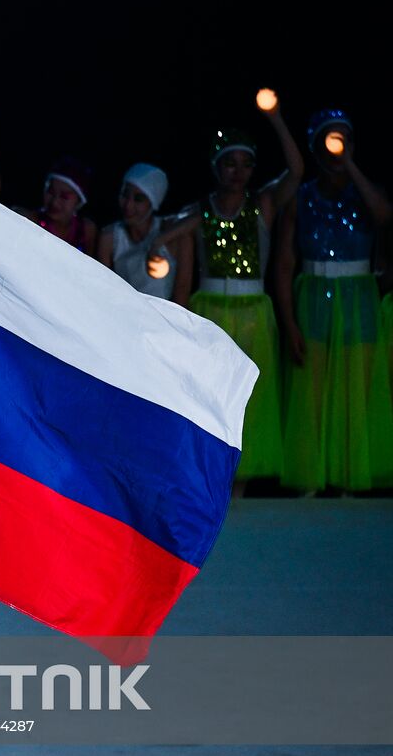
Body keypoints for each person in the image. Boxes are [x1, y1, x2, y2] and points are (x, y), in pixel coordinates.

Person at [160, 104, 303, 491]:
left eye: (245, 164)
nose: (238, 172)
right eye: (230, 164)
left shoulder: (264, 206)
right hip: (211, 309)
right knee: (207, 394)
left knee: (250, 399)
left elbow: (297, 170)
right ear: (216, 167)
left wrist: (276, 118)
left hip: (254, 311)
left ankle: (241, 480)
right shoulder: (200, 210)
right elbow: (166, 239)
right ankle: (209, 477)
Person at [273, 110, 393, 493]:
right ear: (314, 145)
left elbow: (384, 216)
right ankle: (311, 476)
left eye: (344, 139)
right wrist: (289, 321)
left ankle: (349, 475)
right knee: (313, 384)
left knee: (355, 385)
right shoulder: (301, 198)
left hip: (358, 296)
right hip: (314, 294)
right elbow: (285, 261)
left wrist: (350, 166)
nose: (335, 146)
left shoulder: (368, 190)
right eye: (329, 139)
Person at [97, 163, 189, 303]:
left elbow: (181, 292)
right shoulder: (110, 237)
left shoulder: (172, 233)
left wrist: (159, 241)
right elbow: (104, 291)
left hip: (163, 319)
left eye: (138, 199)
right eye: (125, 195)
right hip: (124, 315)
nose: (128, 205)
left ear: (153, 202)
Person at [12, 156, 98, 255]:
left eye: (64, 196)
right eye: (51, 192)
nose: (54, 202)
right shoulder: (28, 221)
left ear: (79, 202)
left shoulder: (86, 230)